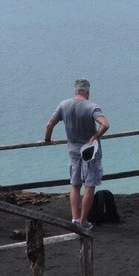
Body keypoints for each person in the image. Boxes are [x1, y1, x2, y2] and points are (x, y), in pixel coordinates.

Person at [44, 77, 110, 231]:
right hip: (90, 150)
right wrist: (96, 135)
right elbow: (105, 124)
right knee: (90, 184)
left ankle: (74, 219)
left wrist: (48, 139)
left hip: (73, 149)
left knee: (75, 184)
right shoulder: (91, 106)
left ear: (75, 90)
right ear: (88, 91)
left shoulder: (64, 105)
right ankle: (83, 221)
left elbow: (49, 124)